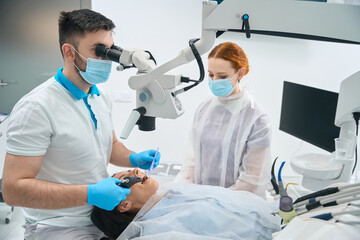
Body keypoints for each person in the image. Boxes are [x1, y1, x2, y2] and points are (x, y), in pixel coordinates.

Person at [1, 9, 160, 240]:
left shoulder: (100, 96)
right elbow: (13, 191)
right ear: (69, 52)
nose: (108, 59)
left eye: (111, 50)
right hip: (57, 227)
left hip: (98, 219)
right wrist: (90, 194)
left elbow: (109, 145)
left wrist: (133, 158)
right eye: (100, 51)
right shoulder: (37, 107)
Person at [176, 42, 272, 198]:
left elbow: (251, 180)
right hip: (199, 199)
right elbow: (191, 161)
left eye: (222, 76)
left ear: (240, 74)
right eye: (211, 75)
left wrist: (216, 201)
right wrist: (183, 190)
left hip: (236, 204)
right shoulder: (204, 108)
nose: (214, 81)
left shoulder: (257, 118)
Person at [91, 168, 280, 240]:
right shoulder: (159, 233)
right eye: (126, 178)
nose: (135, 170)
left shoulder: (171, 192)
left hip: (278, 219)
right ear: (124, 205)